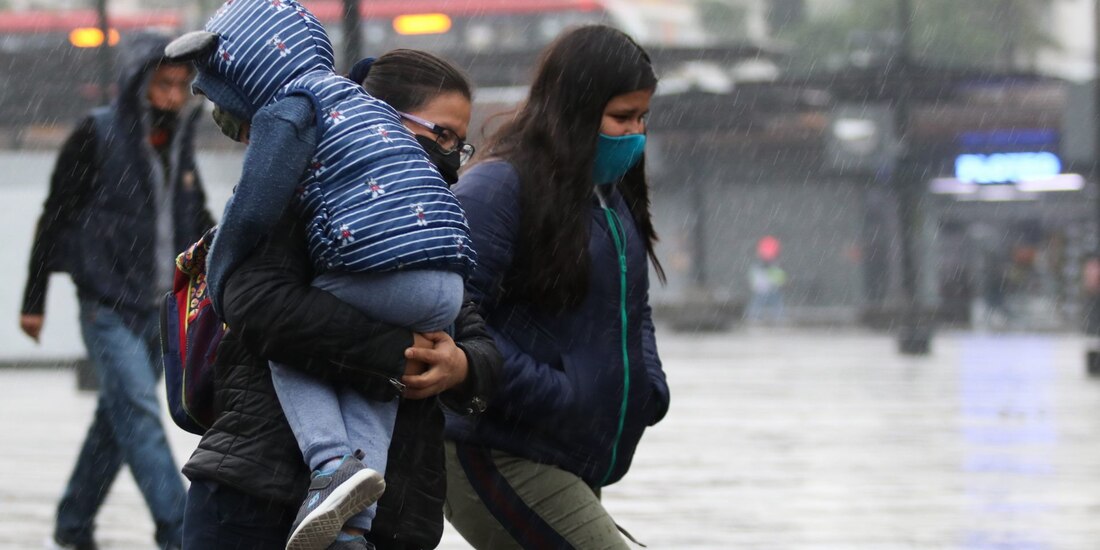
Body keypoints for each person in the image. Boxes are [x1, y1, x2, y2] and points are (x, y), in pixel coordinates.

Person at [165, 1, 475, 547]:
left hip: (288, 493)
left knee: (324, 358)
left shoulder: (344, 180)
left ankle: (333, 469)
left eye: (456, 142)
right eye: (441, 134)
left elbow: (256, 299)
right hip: (277, 490)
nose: (448, 155)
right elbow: (262, 306)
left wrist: (462, 366)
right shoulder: (401, 201)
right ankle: (350, 515)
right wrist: (400, 355)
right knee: (378, 389)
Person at [443, 24, 671, 549]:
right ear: (576, 108)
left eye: (642, 118)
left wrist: (648, 389)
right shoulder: (498, 187)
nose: (636, 133)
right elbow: (452, 314)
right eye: (622, 118)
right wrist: (560, 393)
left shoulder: (609, 197)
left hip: (568, 448)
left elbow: (633, 310)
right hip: (497, 449)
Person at [20, 31, 214, 550]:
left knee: (117, 419)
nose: (172, 96)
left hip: (159, 309)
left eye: (180, 85)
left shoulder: (178, 140)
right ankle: (180, 533)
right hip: (106, 304)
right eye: (162, 84)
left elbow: (196, 216)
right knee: (140, 414)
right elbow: (54, 215)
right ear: (137, 83)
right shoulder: (97, 133)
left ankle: (72, 523)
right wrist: (33, 301)